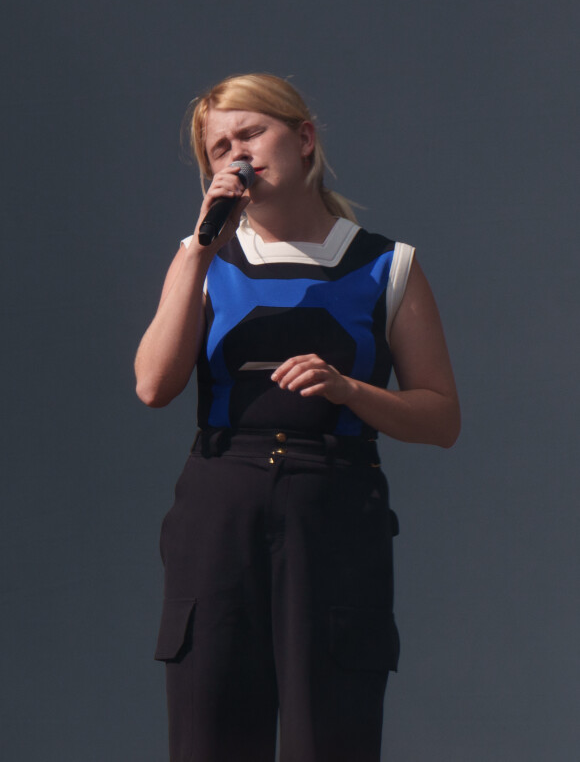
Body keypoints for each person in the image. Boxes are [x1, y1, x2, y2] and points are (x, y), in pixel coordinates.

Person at [135, 73, 460, 762]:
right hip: (220, 503)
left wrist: (349, 390)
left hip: (336, 507)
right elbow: (153, 385)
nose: (236, 156)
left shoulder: (386, 266)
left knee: (331, 735)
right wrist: (196, 251)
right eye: (218, 148)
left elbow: (440, 417)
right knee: (210, 735)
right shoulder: (202, 258)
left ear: (303, 138)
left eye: (249, 133)